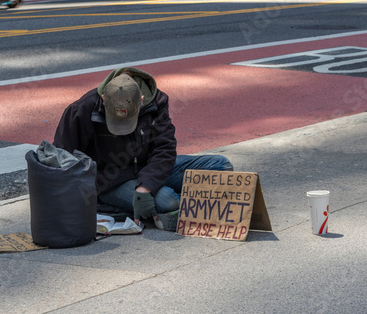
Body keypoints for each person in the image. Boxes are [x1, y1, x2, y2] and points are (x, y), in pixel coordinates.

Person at [53, 67, 233, 231]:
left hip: (148, 167)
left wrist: (146, 187)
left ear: (141, 101)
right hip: (111, 181)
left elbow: (165, 148)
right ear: (103, 99)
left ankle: (140, 205)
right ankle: (118, 205)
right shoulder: (82, 109)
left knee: (221, 167)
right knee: (168, 202)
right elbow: (61, 156)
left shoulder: (157, 101)